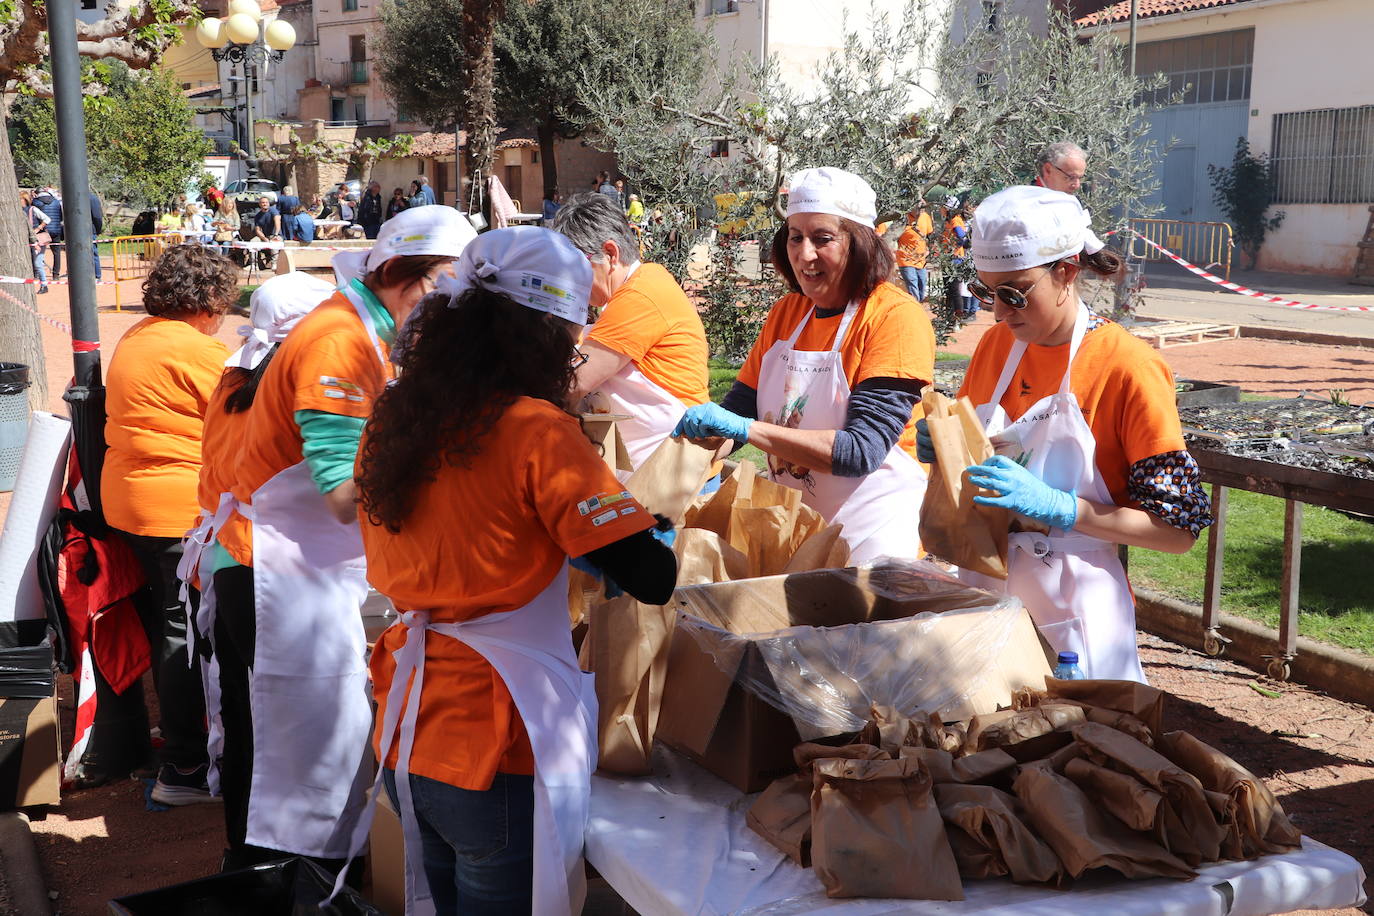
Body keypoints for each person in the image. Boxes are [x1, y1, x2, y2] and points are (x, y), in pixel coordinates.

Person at [355, 226, 678, 914]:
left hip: (407, 724)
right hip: (492, 735)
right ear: (542, 336)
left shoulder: (395, 415)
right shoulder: (537, 431)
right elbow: (652, 576)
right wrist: (645, 530)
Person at [207, 206, 476, 872]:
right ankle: (276, 881)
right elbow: (339, 496)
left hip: (289, 564)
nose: (455, 302)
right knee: (298, 749)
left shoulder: (367, 329)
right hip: (274, 571)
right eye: (449, 282)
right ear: (402, 273)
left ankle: (257, 876)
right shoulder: (339, 342)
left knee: (271, 740)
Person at [924, 185, 1212, 682]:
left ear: (1066, 273)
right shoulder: (996, 346)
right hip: (987, 590)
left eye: (1015, 293)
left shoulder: (1129, 367)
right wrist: (947, 450)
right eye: (986, 292)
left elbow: (1176, 533)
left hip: (1077, 605)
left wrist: (1063, 510)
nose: (998, 311)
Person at [674, 167, 934, 565]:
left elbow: (860, 451)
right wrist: (693, 458)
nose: (805, 254)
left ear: (861, 243)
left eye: (823, 238)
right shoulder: (788, 313)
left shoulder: (894, 317)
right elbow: (741, 409)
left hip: (872, 540)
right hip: (798, 532)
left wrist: (745, 429)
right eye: (796, 237)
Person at [179, 270, 338, 869]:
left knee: (246, 715)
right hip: (270, 568)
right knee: (289, 720)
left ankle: (244, 852)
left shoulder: (234, 377)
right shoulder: (301, 384)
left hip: (229, 558)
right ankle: (289, 860)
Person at [97, 245, 239, 799]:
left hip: (129, 503)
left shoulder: (139, 335)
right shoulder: (201, 352)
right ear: (208, 302)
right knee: (187, 634)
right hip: (174, 509)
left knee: (167, 624)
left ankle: (180, 736)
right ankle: (183, 765)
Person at [551, 192, 709, 469]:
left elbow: (571, 384)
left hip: (675, 479)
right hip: (659, 471)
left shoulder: (641, 295)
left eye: (575, 268)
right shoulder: (633, 289)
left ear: (611, 254)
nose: (569, 281)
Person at [940, 195, 976, 320]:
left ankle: (957, 317)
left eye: (942, 207)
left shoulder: (955, 219)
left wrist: (957, 244)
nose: (941, 209)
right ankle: (949, 317)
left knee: (954, 290)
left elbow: (961, 235)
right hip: (948, 258)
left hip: (954, 259)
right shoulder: (948, 220)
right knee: (948, 289)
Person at [896, 201, 934, 303]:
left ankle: (918, 306)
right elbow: (893, 237)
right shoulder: (902, 218)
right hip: (905, 259)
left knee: (922, 285)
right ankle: (916, 309)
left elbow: (930, 235)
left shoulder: (925, 217)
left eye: (922, 209)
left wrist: (929, 249)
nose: (920, 211)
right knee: (913, 285)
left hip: (921, 260)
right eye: (918, 209)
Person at [23, 192, 51, 295]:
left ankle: (44, 285)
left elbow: (47, 219)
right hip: (28, 241)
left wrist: (38, 228)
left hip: (38, 240)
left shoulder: (32, 209)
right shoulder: (19, 211)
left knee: (38, 263)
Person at [33, 186, 63, 278]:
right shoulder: (56, 202)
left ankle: (37, 273)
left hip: (43, 230)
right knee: (56, 252)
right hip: (56, 229)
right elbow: (60, 216)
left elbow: (34, 216)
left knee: (39, 252)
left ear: (37, 193)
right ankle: (56, 274)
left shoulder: (35, 202)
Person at [252, 196, 281, 269]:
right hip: (264, 236)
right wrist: (264, 238)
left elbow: (277, 223)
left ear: (269, 203)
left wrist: (276, 234)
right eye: (263, 202)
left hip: (276, 235)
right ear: (260, 204)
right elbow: (258, 230)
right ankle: (254, 264)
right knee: (253, 242)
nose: (265, 204)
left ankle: (274, 263)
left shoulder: (274, 211)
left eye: (266, 202)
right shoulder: (258, 216)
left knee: (275, 242)